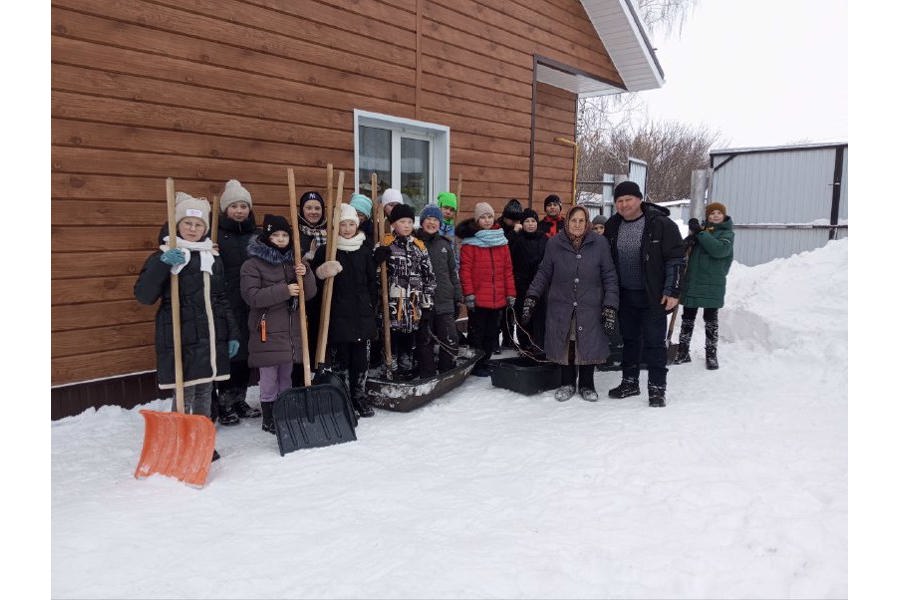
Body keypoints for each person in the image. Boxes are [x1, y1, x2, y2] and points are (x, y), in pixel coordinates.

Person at [134, 192, 239, 461]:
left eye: (199, 225)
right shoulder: (165, 256)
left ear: (205, 228)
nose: (193, 230)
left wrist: (232, 334)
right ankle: (178, 440)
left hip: (210, 335)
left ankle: (200, 439)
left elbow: (221, 298)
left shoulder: (210, 257)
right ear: (176, 224)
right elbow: (144, 296)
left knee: (205, 389)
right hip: (179, 334)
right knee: (184, 391)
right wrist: (161, 265)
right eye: (188, 224)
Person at [523, 206, 619, 402]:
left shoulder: (599, 244)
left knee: (588, 342)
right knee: (567, 341)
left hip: (590, 304)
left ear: (587, 223)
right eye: (573, 220)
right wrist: (531, 296)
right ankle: (567, 383)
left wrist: (610, 305)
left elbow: (609, 275)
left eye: (581, 221)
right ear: (567, 221)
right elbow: (543, 273)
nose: (577, 224)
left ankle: (587, 384)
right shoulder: (554, 243)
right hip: (562, 303)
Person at [603, 181, 684, 407]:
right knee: (629, 340)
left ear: (639, 199)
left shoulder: (661, 224)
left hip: (653, 296)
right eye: (619, 201)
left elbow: (676, 260)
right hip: (625, 295)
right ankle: (630, 382)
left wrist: (673, 291)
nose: (624, 204)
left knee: (654, 343)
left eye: (628, 199)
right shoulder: (612, 225)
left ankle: (657, 388)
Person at [240, 214, 317, 433]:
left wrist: (307, 273)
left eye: (285, 235)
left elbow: (309, 294)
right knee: (269, 377)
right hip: (267, 330)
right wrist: (284, 290)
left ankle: (285, 410)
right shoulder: (252, 265)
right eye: (276, 235)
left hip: (291, 331)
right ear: (267, 237)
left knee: (286, 374)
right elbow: (252, 296)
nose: (281, 239)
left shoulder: (294, 262)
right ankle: (269, 416)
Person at [311, 203, 379, 417]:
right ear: (335, 227)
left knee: (360, 359)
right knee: (342, 359)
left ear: (357, 225)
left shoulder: (364, 250)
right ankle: (345, 397)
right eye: (343, 224)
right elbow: (314, 283)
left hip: (362, 313)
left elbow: (372, 283)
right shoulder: (327, 250)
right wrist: (322, 271)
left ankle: (359, 395)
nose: (348, 228)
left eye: (351, 224)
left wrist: (371, 306)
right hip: (338, 314)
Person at [214, 179, 262, 425]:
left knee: (246, 353)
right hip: (226, 302)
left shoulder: (256, 235)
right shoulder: (217, 236)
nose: (240, 210)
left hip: (250, 301)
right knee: (229, 353)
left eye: (244, 206)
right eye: (234, 206)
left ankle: (240, 399)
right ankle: (224, 403)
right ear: (225, 209)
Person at [373, 203, 437, 380]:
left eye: (410, 221)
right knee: (391, 341)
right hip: (392, 306)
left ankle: (406, 370)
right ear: (393, 224)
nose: (407, 225)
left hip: (413, 307)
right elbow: (375, 277)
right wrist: (377, 260)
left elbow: (429, 277)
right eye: (402, 221)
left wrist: (427, 305)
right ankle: (390, 371)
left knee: (409, 341)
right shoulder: (385, 244)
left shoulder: (419, 246)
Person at [457, 202, 516, 377]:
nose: (487, 220)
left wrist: (510, 293)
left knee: (492, 332)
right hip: (478, 298)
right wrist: (468, 294)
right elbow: (465, 271)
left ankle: (487, 359)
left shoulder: (502, 241)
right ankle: (476, 364)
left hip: (498, 297)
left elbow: (507, 270)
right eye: (483, 217)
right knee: (477, 332)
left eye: (490, 216)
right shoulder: (470, 244)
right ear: (477, 220)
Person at [674, 202, 734, 370]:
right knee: (687, 318)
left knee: (711, 320)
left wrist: (700, 233)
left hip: (713, 282)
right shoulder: (702, 232)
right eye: (711, 213)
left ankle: (711, 354)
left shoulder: (727, 234)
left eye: (718, 213)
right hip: (693, 281)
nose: (715, 215)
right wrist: (689, 238)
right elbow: (683, 250)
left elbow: (719, 250)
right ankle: (683, 351)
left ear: (724, 216)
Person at [414, 204, 463, 375]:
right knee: (425, 340)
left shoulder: (445, 245)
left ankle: (446, 371)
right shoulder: (414, 243)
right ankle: (427, 374)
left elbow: (452, 272)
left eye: (436, 220)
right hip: (423, 303)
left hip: (444, 300)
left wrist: (457, 296)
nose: (432, 223)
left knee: (450, 339)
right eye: (429, 219)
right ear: (422, 221)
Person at [294, 190, 327, 385]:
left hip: (324, 293)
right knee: (302, 338)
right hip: (302, 296)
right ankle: (300, 379)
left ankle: (319, 378)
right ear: (301, 209)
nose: (313, 212)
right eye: (308, 208)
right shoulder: (295, 234)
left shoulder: (329, 233)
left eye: (317, 208)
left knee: (321, 335)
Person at [508, 208, 548, 353]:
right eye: (527, 221)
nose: (530, 224)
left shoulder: (544, 239)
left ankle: (539, 344)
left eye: (533, 221)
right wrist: (514, 232)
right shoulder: (517, 240)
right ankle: (525, 344)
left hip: (540, 285)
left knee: (539, 316)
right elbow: (508, 254)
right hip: (522, 284)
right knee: (524, 315)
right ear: (522, 224)